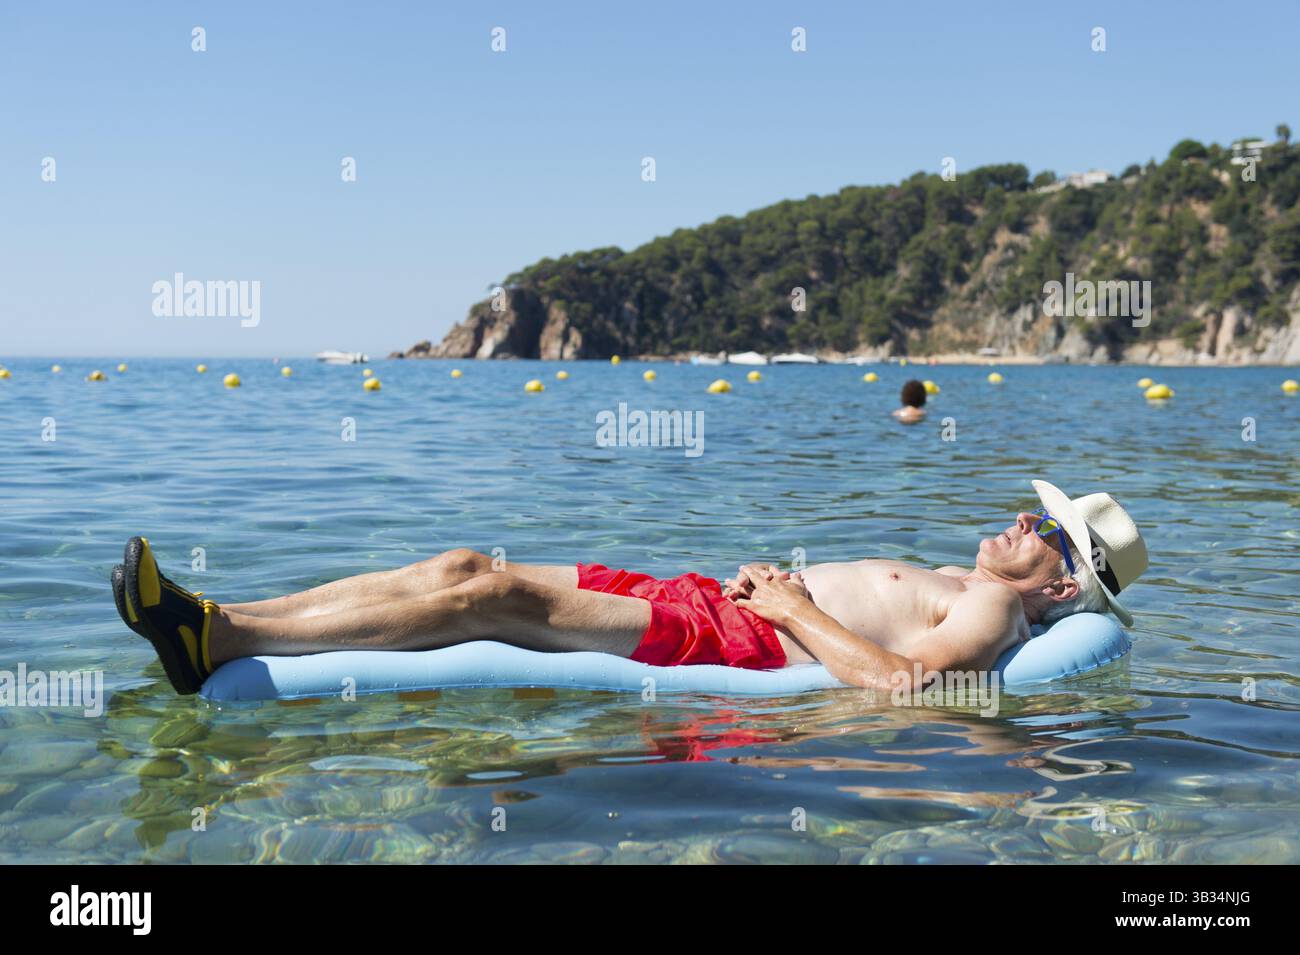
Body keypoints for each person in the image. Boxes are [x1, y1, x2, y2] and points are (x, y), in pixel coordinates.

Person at [112, 480, 1147, 695]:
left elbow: (901, 686)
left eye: (1046, 532)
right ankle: (216, 620)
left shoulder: (994, 607)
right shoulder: (964, 577)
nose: (1023, 520)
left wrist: (790, 608)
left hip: (737, 638)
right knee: (462, 569)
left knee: (482, 593)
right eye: (1034, 510)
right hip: (708, 596)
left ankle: (218, 638)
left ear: (1061, 589)